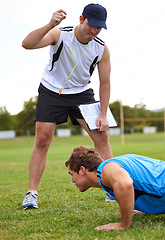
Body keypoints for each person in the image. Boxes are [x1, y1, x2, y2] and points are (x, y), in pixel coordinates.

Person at [22, 4, 113, 209]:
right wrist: (50, 24)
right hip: (52, 90)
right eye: (91, 25)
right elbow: (27, 44)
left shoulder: (101, 48)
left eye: (99, 28)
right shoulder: (60, 34)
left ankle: (112, 187)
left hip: (81, 93)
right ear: (82, 19)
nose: (94, 31)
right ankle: (31, 194)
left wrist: (104, 114)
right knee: (42, 139)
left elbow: (105, 82)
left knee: (101, 135)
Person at [65, 146, 165, 231]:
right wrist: (147, 208)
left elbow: (125, 184)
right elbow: (147, 179)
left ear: (82, 170)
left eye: (72, 175)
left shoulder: (107, 170)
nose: (72, 180)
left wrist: (123, 224)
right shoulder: (113, 165)